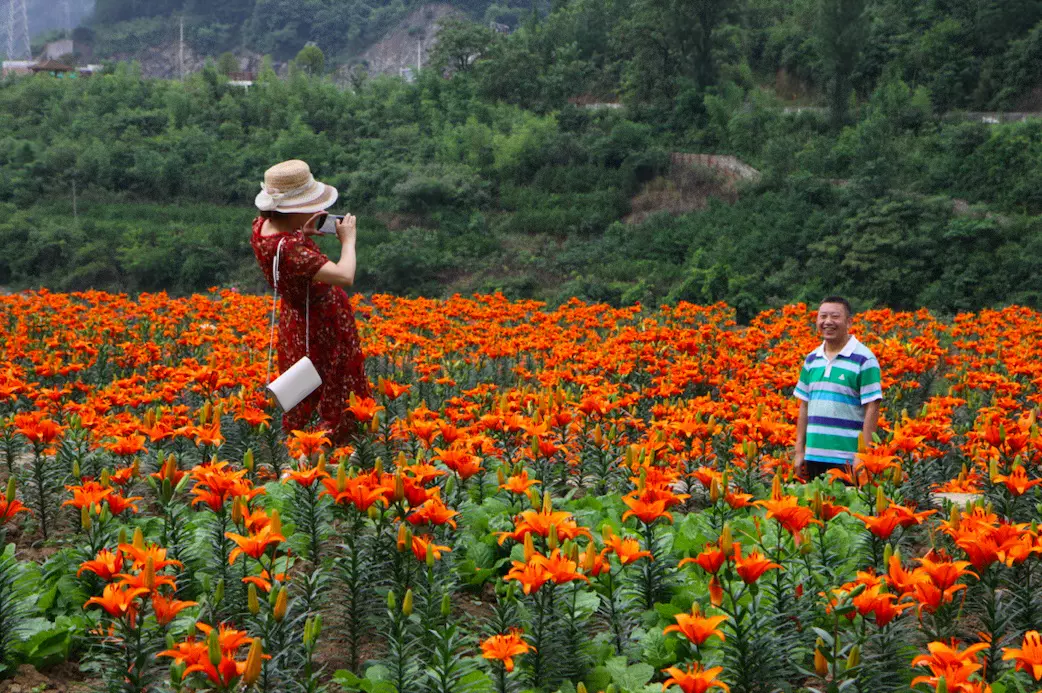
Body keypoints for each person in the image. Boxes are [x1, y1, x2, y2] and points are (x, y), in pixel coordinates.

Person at [251, 159, 371, 445]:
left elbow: (283, 250)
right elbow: (344, 276)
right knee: (332, 384)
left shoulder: (262, 226)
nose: (316, 211)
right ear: (294, 209)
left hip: (295, 320)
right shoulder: (293, 250)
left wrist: (303, 233)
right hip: (322, 323)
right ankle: (327, 448)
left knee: (304, 385)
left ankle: (303, 446)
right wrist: (348, 241)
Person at [793, 296, 883, 481]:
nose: (828, 322)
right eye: (823, 316)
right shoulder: (811, 360)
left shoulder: (865, 359)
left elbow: (872, 408)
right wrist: (799, 451)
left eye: (835, 316)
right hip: (813, 456)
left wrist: (864, 453)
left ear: (849, 321)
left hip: (848, 458)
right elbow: (804, 406)